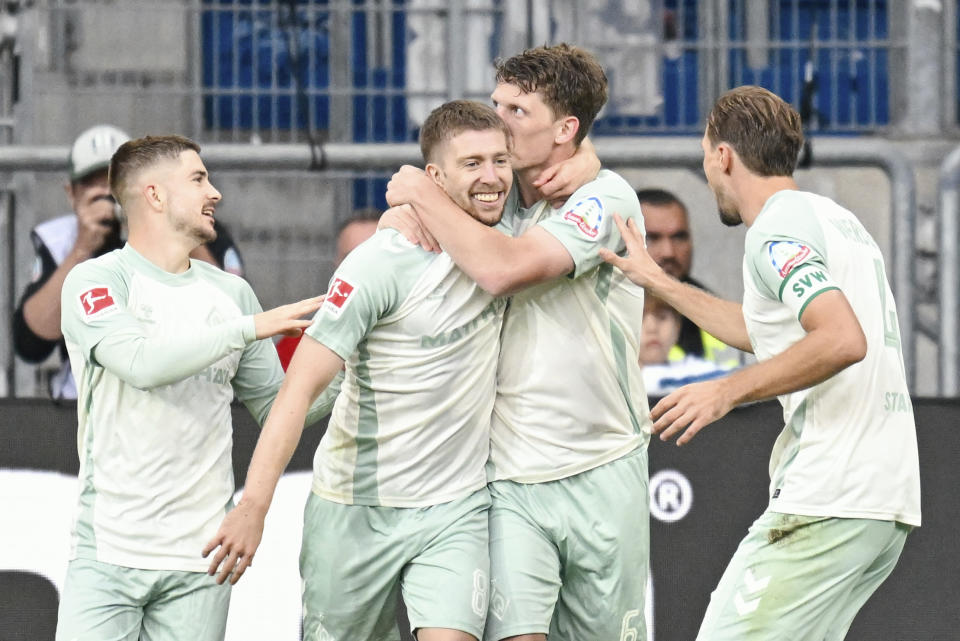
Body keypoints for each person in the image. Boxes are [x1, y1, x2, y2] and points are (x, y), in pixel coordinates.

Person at [600, 85, 921, 640]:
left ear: (723, 155)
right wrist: (658, 281)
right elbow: (762, 331)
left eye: (705, 155)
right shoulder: (834, 220)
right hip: (881, 499)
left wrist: (726, 390)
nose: (707, 172)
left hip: (830, 494)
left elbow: (843, 338)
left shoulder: (775, 228)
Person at [203, 101, 515, 641]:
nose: (491, 178)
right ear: (435, 177)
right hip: (354, 510)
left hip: (455, 508)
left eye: (500, 160)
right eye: (472, 164)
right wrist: (252, 506)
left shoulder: (513, 238)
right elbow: (298, 390)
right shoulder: (380, 262)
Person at [385, 44, 651, 641]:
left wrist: (420, 194)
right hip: (508, 477)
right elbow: (402, 224)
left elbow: (505, 270)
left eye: (517, 112)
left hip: (603, 465)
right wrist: (401, 210)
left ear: (567, 129)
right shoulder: (487, 204)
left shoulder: (605, 198)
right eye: (496, 102)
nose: (497, 119)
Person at [55, 134, 329, 641]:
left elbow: (278, 409)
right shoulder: (95, 281)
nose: (215, 193)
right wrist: (249, 327)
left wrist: (348, 361)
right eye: (199, 179)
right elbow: (138, 363)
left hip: (201, 561)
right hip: (109, 553)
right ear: (155, 195)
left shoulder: (232, 293)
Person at [12, 124, 246, 400]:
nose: (109, 196)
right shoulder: (60, 240)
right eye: (93, 185)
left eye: (116, 182)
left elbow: (236, 317)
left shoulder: (196, 222)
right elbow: (31, 344)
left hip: (182, 395)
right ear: (72, 195)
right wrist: (82, 248)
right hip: (91, 400)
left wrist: (174, 228)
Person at [636, 187, 738, 367]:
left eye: (678, 237)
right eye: (652, 238)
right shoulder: (595, 309)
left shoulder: (715, 313)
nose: (668, 252)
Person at [275, 208, 381, 370]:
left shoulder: (422, 337)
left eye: (375, 258)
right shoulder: (298, 341)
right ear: (337, 265)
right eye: (351, 258)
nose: (362, 270)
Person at [639, 294, 730, 397]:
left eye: (662, 317)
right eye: (639, 319)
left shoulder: (697, 370)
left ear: (677, 327)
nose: (652, 328)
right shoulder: (619, 382)